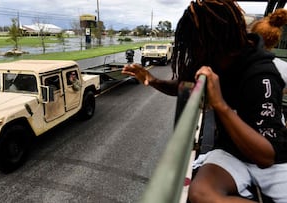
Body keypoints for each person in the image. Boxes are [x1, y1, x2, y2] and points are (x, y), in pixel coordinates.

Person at [122, 0, 287, 202]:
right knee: (200, 193)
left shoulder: (262, 75)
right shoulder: (213, 58)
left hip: (272, 161)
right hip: (232, 152)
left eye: (196, 46)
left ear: (216, 41)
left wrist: (220, 105)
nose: (193, 53)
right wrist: (153, 79)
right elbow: (184, 85)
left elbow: (266, 157)